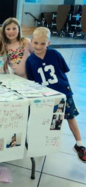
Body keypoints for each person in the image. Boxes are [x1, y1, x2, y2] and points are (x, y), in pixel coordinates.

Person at [26, 27, 86, 162]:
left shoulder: (55, 54)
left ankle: (80, 144)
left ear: (48, 43)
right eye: (35, 43)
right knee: (49, 120)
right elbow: (32, 81)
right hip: (46, 96)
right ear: (31, 42)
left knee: (70, 117)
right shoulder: (30, 61)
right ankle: (46, 143)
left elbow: (64, 71)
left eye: (42, 43)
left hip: (63, 93)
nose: (38, 46)